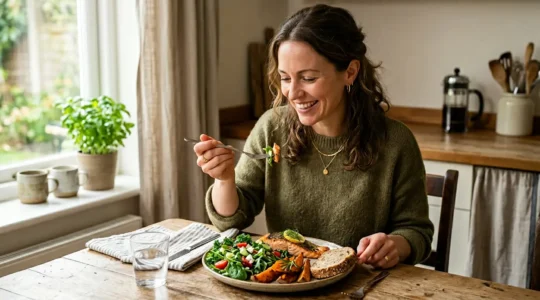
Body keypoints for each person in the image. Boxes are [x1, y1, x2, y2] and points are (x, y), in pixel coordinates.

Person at [192, 4, 433, 269]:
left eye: (307, 78)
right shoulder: (272, 128)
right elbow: (231, 220)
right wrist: (224, 179)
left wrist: (394, 244)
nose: (293, 93)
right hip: (286, 282)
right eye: (285, 78)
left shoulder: (396, 142)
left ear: (350, 72)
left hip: (363, 286)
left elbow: (416, 232)